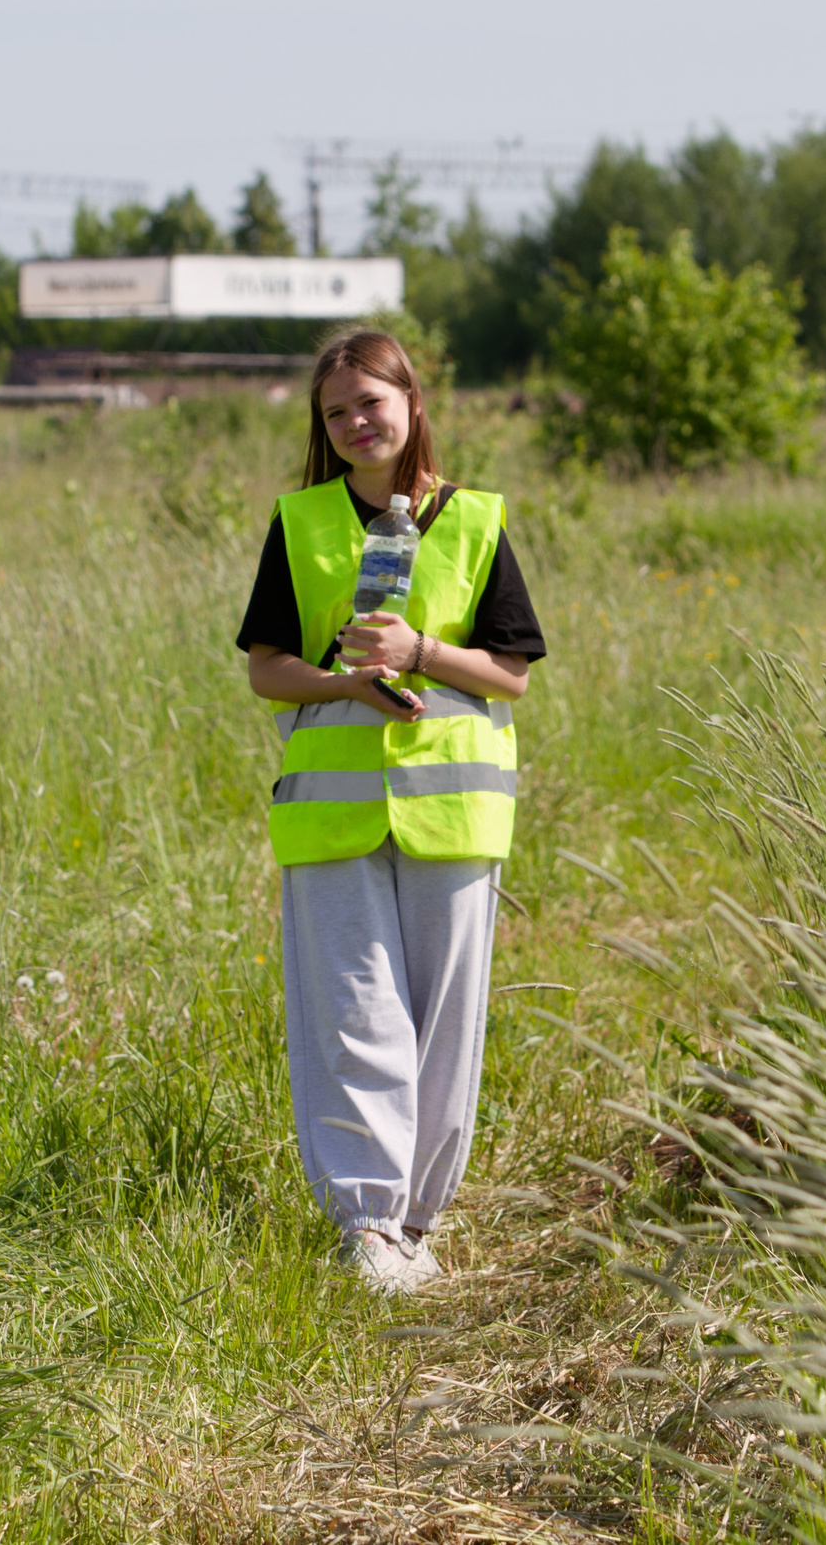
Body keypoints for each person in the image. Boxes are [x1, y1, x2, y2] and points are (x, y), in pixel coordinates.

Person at [237, 328, 545, 1295]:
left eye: (370, 401)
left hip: (454, 815)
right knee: (353, 1013)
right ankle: (369, 1226)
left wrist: (416, 652)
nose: (355, 423)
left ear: (412, 400)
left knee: (443, 1021)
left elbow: (510, 672)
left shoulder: (478, 520)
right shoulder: (299, 522)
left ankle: (419, 1220)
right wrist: (342, 685)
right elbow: (267, 670)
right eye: (336, 412)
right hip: (330, 813)